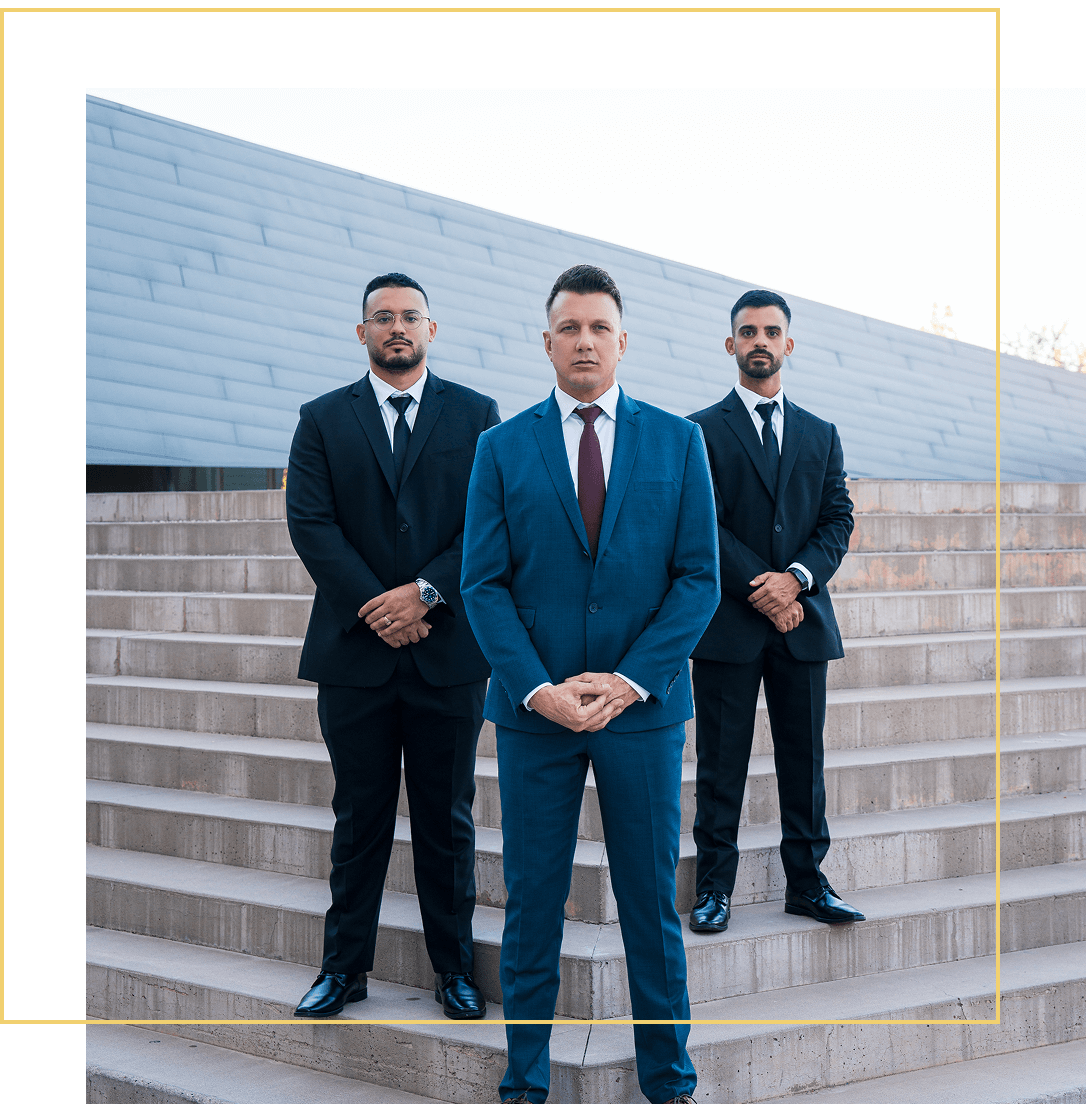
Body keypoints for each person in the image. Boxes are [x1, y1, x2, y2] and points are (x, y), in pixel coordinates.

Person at [461, 265, 719, 1104]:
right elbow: (482, 584)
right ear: (547, 342)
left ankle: (669, 1081)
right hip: (536, 714)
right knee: (532, 902)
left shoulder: (680, 442)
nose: (584, 341)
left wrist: (631, 681)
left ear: (622, 340)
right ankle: (524, 1083)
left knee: (649, 903)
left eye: (599, 327)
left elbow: (698, 580)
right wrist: (537, 689)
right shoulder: (500, 447)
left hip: (641, 713)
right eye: (569, 328)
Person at [285, 272, 500, 1020]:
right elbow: (310, 523)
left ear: (432, 330)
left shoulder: (478, 416)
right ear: (362, 332)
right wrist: (379, 607)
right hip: (355, 654)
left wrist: (426, 594)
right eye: (383, 317)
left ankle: (454, 972)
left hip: (447, 656)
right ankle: (344, 970)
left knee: (448, 821)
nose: (397, 327)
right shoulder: (320, 419)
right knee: (360, 818)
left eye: (411, 316)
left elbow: (488, 522)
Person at [686, 289, 864, 935]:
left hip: (803, 624)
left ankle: (808, 885)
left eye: (771, 331)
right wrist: (762, 587)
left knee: (803, 762)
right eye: (747, 331)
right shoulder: (698, 431)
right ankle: (714, 889)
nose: (759, 341)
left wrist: (795, 580)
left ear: (788, 344)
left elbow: (836, 519)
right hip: (730, 626)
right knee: (721, 764)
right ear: (731, 344)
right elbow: (699, 521)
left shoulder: (822, 433)